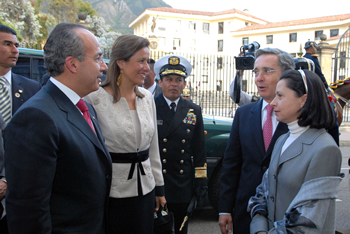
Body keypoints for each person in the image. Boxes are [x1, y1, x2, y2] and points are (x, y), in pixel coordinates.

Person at [4, 23, 112, 233]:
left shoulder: (84, 107)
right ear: (72, 64)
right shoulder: (36, 117)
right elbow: (28, 211)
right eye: (97, 58)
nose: (104, 66)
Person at [84, 34, 166, 234]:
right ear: (121, 62)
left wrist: (159, 188)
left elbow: (153, 148)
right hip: (111, 194)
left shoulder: (147, 98)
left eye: (148, 61)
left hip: (146, 191)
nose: (147, 67)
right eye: (141, 61)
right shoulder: (94, 99)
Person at [248, 69, 342, 233]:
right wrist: (259, 229)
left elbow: (305, 220)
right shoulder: (282, 140)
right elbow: (263, 193)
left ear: (303, 100)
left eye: (280, 96)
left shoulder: (325, 149)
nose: (273, 102)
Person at [218, 48, 294, 234]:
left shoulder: (298, 116)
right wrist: (225, 208)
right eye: (256, 72)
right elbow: (231, 165)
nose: (259, 78)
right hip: (246, 211)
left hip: (288, 212)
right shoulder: (243, 114)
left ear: (286, 75)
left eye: (267, 71)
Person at [154, 54, 207, 234]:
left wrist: (201, 183)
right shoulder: (150, 107)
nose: (174, 84)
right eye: (169, 79)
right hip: (158, 182)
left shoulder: (193, 110)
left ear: (185, 84)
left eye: (178, 80)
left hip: (182, 184)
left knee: (181, 229)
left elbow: (199, 150)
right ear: (160, 82)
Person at [0, 24, 41, 233]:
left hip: (21, 193)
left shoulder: (32, 89)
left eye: (16, 45)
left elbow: (35, 142)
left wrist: (8, 180)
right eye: (7, 44)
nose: (15, 50)